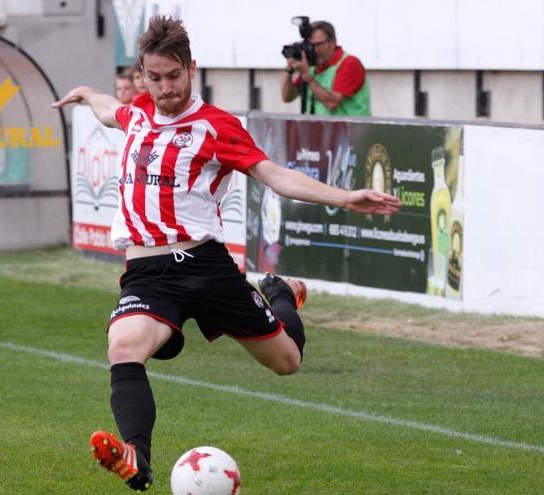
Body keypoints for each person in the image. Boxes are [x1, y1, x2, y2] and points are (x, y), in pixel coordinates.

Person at [52, 15, 400, 492]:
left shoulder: (215, 127)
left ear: (191, 69)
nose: (165, 88)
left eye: (173, 77)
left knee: (286, 362)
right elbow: (109, 108)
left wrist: (345, 198)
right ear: (143, 74)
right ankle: (137, 456)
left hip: (204, 266)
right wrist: (88, 93)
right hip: (147, 271)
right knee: (123, 347)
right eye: (154, 78)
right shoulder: (137, 113)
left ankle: (279, 294)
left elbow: (275, 175)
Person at [281, 20, 370, 116]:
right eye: (310, 46)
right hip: (324, 130)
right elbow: (287, 97)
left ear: (332, 43)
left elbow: (332, 103)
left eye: (318, 45)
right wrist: (289, 69)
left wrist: (307, 76)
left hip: (352, 129)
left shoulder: (349, 63)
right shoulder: (311, 68)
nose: (314, 50)